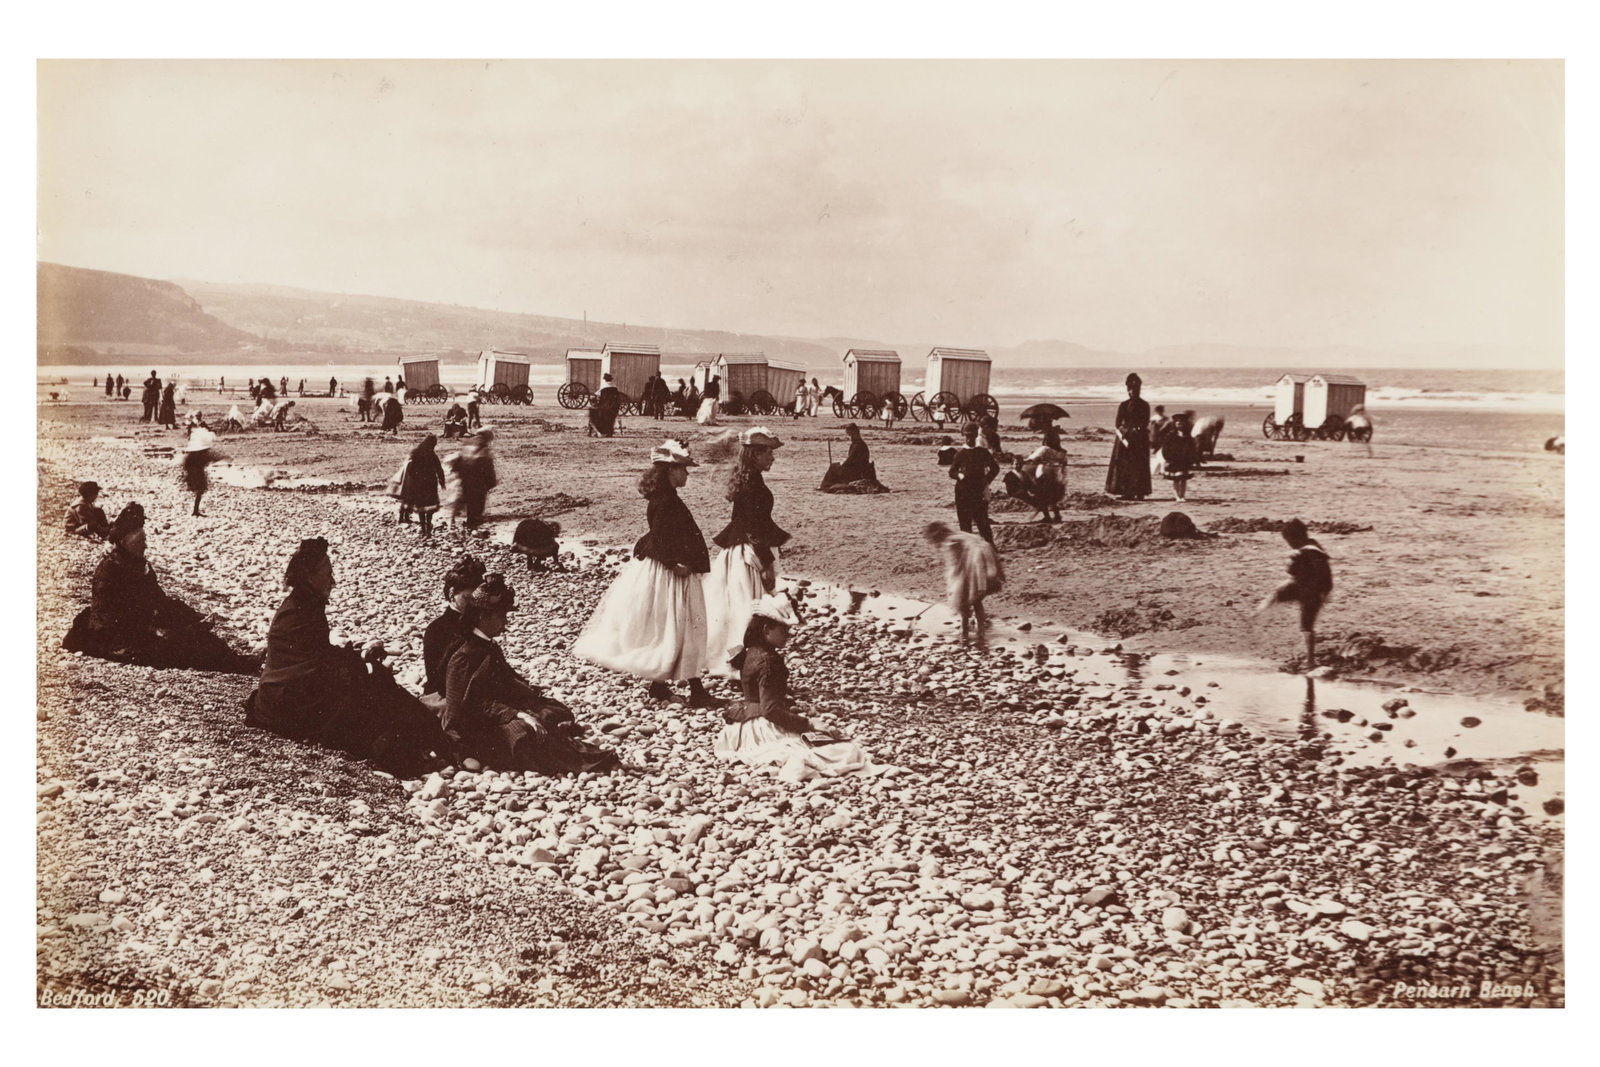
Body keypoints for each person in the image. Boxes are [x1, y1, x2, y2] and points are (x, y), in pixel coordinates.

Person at [244, 538, 450, 776]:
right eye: (328, 574)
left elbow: (312, 655)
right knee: (375, 691)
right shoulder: (303, 609)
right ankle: (428, 747)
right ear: (310, 577)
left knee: (374, 683)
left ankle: (427, 743)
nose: (333, 581)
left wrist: (355, 658)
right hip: (290, 703)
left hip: (279, 696)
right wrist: (359, 665)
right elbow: (313, 664)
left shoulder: (299, 604)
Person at [573, 439, 721, 708]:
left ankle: (661, 685)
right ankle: (694, 690)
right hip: (671, 574)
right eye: (683, 469)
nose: (687, 473)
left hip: (666, 571)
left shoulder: (664, 497)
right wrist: (676, 565)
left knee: (673, 626)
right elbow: (662, 537)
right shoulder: (665, 500)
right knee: (683, 625)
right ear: (669, 470)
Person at [441, 574, 620, 775]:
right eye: (501, 616)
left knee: (551, 711)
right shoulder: (465, 657)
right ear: (483, 617)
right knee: (524, 732)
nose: (506, 623)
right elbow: (467, 707)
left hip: (496, 713)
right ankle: (577, 761)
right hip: (472, 731)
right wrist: (518, 714)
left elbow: (508, 681)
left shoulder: (487, 646)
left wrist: (529, 699)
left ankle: (569, 751)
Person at [62, 503, 257, 672]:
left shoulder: (139, 565)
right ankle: (237, 664)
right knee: (179, 647)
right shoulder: (110, 570)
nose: (145, 547)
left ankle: (239, 660)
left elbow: (158, 600)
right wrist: (153, 630)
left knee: (195, 633)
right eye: (141, 542)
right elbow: (110, 616)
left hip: (140, 625)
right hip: (116, 636)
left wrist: (192, 616)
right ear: (125, 543)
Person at [714, 595, 871, 780]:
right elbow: (770, 710)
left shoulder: (752, 652)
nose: (788, 635)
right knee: (847, 753)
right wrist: (809, 723)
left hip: (743, 726)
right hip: (763, 727)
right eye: (784, 630)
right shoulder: (769, 661)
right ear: (766, 630)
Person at [704, 428, 790, 678]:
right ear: (755, 455)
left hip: (742, 548)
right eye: (769, 453)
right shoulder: (752, 482)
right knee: (750, 607)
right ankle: (745, 667)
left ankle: (743, 663)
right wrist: (765, 562)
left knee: (741, 605)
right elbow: (753, 526)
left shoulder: (748, 477)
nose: (773, 458)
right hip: (750, 551)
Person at [1257, 519, 1334, 671]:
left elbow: (1320, 574)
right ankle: (1260, 614)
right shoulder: (1312, 547)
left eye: (1289, 540)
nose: (1289, 544)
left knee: (1306, 624)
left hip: (1311, 591)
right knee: (1279, 594)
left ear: (1296, 538)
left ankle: (1311, 660)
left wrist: (1323, 593)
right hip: (1306, 587)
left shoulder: (1309, 551)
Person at [923, 521, 1004, 645]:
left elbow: (955, 565)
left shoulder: (950, 542)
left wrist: (953, 585)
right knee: (977, 601)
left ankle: (964, 630)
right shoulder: (960, 535)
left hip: (975, 566)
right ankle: (980, 631)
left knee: (963, 602)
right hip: (984, 561)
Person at [423, 555, 486, 695]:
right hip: (447, 698)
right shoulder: (437, 629)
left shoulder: (476, 623)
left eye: (477, 599)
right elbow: (438, 679)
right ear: (452, 594)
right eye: (468, 598)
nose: (473, 604)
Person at [1004, 425, 1068, 522]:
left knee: (1041, 495)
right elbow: (1064, 465)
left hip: (1043, 475)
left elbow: (1031, 459)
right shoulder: (1062, 452)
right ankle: (1057, 515)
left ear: (1046, 440)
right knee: (1052, 497)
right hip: (1056, 476)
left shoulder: (1044, 449)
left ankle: (1046, 516)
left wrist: (1021, 459)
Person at [949, 422, 998, 544]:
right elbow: (952, 471)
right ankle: (968, 548)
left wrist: (986, 482)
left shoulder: (982, 452)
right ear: (963, 436)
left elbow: (995, 468)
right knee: (965, 523)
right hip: (962, 492)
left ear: (976, 436)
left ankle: (990, 547)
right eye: (967, 436)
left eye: (972, 435)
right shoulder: (960, 453)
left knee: (982, 522)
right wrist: (960, 475)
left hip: (978, 492)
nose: (969, 438)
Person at [1106, 372, 1152, 500]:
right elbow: (1117, 423)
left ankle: (1140, 492)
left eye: (1136, 389)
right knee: (1125, 465)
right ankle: (1127, 492)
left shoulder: (1144, 405)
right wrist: (1124, 434)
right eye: (1131, 390)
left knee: (1139, 465)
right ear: (1127, 390)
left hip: (1140, 438)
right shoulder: (1123, 405)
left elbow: (1145, 421)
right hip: (1124, 438)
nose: (1133, 392)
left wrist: (1138, 430)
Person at [394, 434, 446, 538]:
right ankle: (428, 528)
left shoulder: (416, 453)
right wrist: (442, 482)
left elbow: (410, 470)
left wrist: (414, 480)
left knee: (421, 506)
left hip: (419, 484)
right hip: (431, 483)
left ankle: (423, 528)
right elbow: (439, 470)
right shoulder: (432, 455)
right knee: (430, 506)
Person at [450, 429, 498, 528]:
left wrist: (458, 473)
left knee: (467, 497)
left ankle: (462, 519)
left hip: (465, 476)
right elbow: (487, 466)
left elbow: (459, 458)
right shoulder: (483, 448)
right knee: (478, 499)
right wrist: (491, 481)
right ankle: (473, 521)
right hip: (477, 478)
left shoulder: (468, 442)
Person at [819, 422, 886, 491]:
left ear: (854, 432)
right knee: (835, 466)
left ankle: (826, 486)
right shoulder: (857, 443)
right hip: (857, 467)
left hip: (857, 470)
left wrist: (843, 463)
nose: (850, 436)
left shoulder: (858, 445)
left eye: (850, 434)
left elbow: (852, 459)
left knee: (833, 467)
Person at [1158, 412, 1199, 503]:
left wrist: (1192, 458)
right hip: (1173, 460)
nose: (1179, 423)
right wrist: (1167, 458)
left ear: (1185, 424)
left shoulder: (1188, 436)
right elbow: (1165, 448)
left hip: (1184, 460)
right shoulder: (1170, 435)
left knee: (1183, 479)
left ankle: (1182, 495)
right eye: (1177, 422)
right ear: (1174, 423)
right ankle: (1177, 496)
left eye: (1181, 422)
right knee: (1175, 479)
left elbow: (1192, 448)